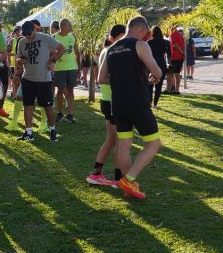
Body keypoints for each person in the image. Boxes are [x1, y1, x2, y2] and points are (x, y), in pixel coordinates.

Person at [97, 16, 163, 199]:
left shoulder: (111, 49)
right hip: (137, 102)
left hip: (117, 103)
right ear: (142, 29)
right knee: (153, 143)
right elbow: (157, 71)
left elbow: (101, 78)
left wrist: (120, 80)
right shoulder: (140, 45)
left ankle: (129, 186)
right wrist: (155, 77)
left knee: (124, 144)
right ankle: (129, 179)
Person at [87, 25, 127, 186]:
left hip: (107, 100)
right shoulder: (112, 51)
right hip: (111, 101)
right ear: (114, 37)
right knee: (119, 142)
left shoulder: (107, 50)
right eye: (123, 37)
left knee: (111, 140)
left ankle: (96, 173)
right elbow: (103, 78)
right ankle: (118, 179)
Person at [14, 20, 65, 143]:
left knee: (47, 106)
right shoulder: (22, 42)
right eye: (25, 34)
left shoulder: (45, 38)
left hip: (43, 79)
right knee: (27, 106)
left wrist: (52, 61)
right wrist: (19, 61)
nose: (27, 36)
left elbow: (61, 48)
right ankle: (28, 133)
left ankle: (52, 131)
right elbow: (19, 58)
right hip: (27, 79)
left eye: (29, 33)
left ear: (34, 30)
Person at [51, 18, 81, 122]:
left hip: (72, 67)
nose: (71, 27)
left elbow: (77, 52)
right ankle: (59, 113)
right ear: (62, 26)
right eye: (69, 25)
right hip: (59, 68)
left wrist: (79, 68)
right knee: (60, 90)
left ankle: (70, 114)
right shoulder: (54, 37)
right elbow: (50, 53)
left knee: (70, 90)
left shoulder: (72, 36)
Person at [147, 26, 169, 108]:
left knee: (150, 84)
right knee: (159, 85)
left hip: (151, 63)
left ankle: (149, 102)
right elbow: (169, 55)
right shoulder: (165, 42)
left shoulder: (149, 42)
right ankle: (155, 104)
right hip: (161, 63)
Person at [167, 26, 185, 94]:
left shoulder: (173, 34)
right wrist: (183, 53)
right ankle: (177, 90)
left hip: (175, 57)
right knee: (177, 73)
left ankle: (170, 89)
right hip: (180, 57)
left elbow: (175, 44)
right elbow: (183, 45)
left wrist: (181, 52)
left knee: (170, 73)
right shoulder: (181, 35)